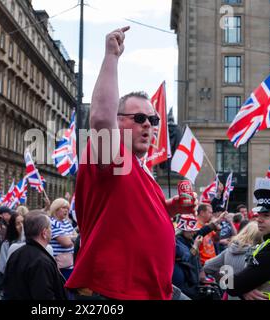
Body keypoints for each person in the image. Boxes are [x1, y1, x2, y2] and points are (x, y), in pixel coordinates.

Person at [65, 27, 197, 300]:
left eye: (154, 119)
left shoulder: (142, 169)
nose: (149, 124)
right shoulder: (111, 158)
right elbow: (100, 120)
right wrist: (111, 56)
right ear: (118, 120)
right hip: (114, 294)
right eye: (139, 118)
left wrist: (170, 208)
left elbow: (132, 219)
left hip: (153, 290)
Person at [3, 211, 67, 300]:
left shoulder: (16, 254)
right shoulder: (41, 262)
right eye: (50, 228)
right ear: (44, 233)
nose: (51, 231)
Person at [204, 221, 263, 300]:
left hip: (231, 296)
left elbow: (208, 267)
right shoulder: (257, 253)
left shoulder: (229, 250)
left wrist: (225, 280)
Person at [173, 215, 204, 300]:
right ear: (183, 230)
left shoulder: (189, 240)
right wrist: (195, 246)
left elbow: (203, 231)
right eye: (190, 231)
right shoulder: (176, 241)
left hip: (189, 282)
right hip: (180, 285)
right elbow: (186, 257)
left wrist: (201, 270)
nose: (193, 233)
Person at [49, 198, 76, 280]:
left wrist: (69, 237)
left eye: (67, 208)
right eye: (63, 208)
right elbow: (66, 243)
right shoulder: (52, 223)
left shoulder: (66, 222)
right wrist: (71, 237)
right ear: (56, 209)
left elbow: (76, 237)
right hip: (58, 265)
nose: (66, 210)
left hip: (70, 263)